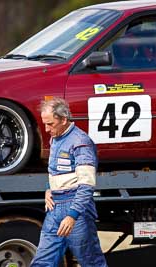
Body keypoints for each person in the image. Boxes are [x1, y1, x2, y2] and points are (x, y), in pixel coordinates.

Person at [30, 97, 107, 267]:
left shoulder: (80, 142)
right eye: (44, 124)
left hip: (76, 209)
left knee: (91, 261)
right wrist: (49, 190)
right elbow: (59, 173)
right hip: (55, 206)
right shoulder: (56, 138)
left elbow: (86, 184)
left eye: (50, 124)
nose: (46, 129)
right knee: (42, 261)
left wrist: (73, 215)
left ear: (64, 119)